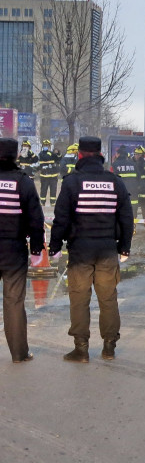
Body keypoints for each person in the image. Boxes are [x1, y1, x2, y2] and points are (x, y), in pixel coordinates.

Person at [49, 136, 134, 362]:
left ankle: (81, 348)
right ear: (100, 154)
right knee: (108, 298)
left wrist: (54, 246)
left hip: (80, 252)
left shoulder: (72, 182)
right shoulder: (115, 181)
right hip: (107, 249)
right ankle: (109, 347)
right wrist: (124, 248)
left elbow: (61, 219)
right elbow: (126, 217)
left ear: (80, 155)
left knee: (79, 299)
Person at [0, 138, 45, 363]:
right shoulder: (22, 182)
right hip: (13, 249)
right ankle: (19, 354)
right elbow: (35, 218)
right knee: (14, 301)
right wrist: (36, 246)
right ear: (16, 156)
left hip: (12, 246)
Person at [111, 146, 139, 226]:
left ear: (118, 154)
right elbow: (138, 177)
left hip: (120, 191)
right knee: (133, 208)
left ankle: (121, 226)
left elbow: (112, 178)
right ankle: (133, 226)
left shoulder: (114, 165)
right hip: (133, 191)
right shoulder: (133, 164)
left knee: (120, 209)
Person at [38, 139, 61, 206]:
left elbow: (58, 159)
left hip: (53, 176)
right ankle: (42, 202)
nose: (46, 146)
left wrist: (58, 153)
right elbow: (45, 158)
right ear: (42, 146)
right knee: (43, 190)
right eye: (45, 145)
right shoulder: (41, 154)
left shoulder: (52, 153)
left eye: (47, 145)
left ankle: (53, 202)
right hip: (44, 176)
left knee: (53, 190)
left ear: (49, 146)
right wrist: (52, 154)